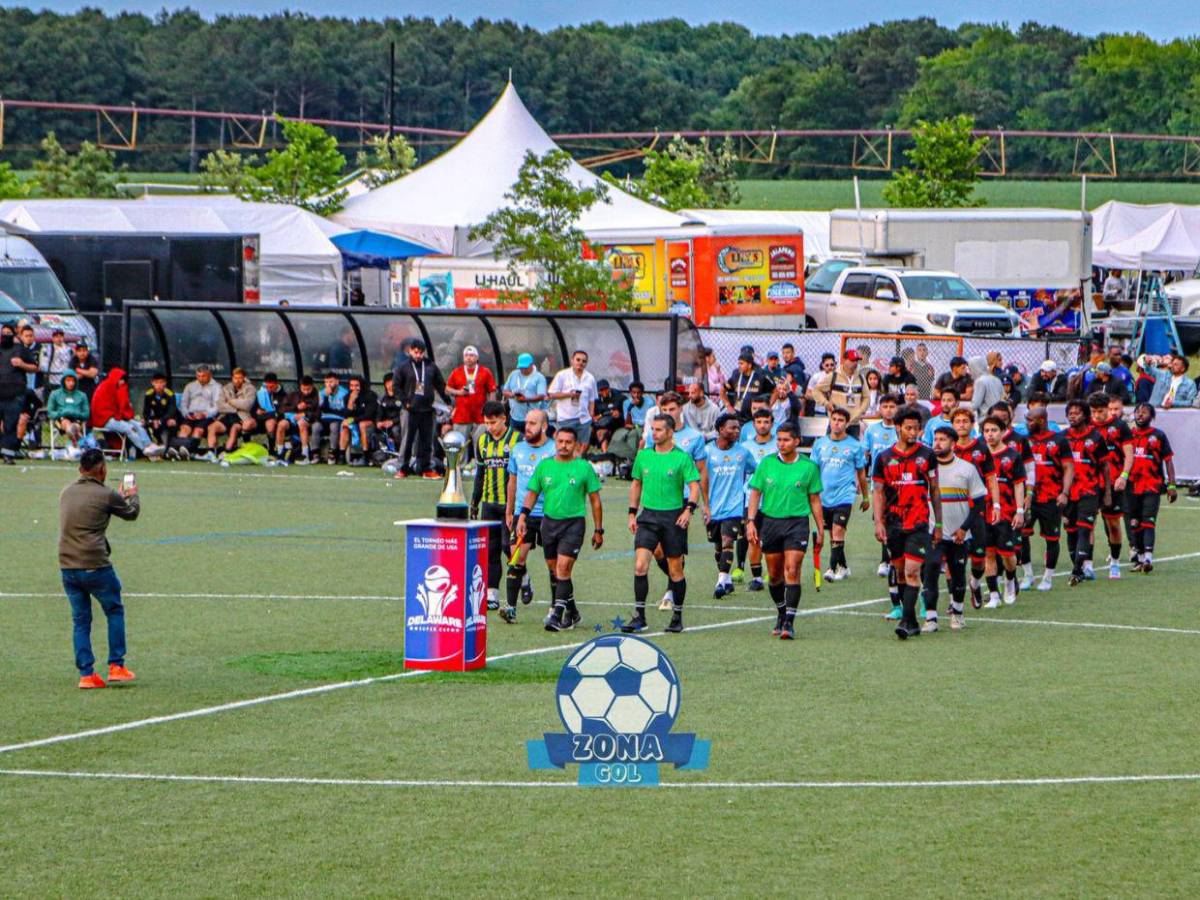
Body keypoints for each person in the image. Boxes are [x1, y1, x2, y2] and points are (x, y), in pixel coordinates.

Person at [58, 448, 141, 688]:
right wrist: (132, 494)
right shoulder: (106, 495)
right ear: (102, 469)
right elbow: (131, 513)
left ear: (80, 469)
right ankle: (116, 665)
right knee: (114, 609)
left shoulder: (66, 493)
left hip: (67, 565)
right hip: (95, 564)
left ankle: (86, 674)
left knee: (81, 620)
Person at [515, 426, 603, 632]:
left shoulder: (584, 468)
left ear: (576, 445)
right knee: (555, 571)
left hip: (573, 524)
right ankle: (572, 613)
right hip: (549, 523)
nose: (564, 446)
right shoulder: (545, 466)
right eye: (560, 441)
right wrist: (522, 516)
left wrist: (599, 530)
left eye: (568, 442)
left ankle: (556, 614)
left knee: (563, 568)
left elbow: (595, 501)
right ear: (555, 443)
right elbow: (532, 493)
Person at [620, 413, 702, 634]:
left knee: (675, 570)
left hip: (672, 518)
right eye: (652, 429)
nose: (653, 433)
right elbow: (636, 484)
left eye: (658, 430)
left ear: (670, 432)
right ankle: (639, 616)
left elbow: (694, 486)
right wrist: (631, 513)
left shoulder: (682, 458)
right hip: (648, 517)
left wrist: (689, 510)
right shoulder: (644, 456)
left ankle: (677, 616)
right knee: (640, 566)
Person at [745, 423, 824, 641]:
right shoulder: (767, 463)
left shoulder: (809, 467)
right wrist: (751, 521)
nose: (781, 443)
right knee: (775, 575)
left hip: (797, 524)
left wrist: (820, 527)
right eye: (779, 439)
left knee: (792, 569)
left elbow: (815, 499)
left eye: (786, 440)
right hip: (770, 523)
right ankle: (781, 613)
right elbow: (755, 493)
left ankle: (789, 621)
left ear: (797, 441)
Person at [873, 406, 942, 638]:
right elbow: (878, 492)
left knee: (913, 571)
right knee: (900, 572)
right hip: (893, 523)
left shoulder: (927, 455)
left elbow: (934, 490)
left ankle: (905, 619)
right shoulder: (884, 458)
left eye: (917, 428)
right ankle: (911, 621)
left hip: (919, 523)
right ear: (898, 427)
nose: (913, 432)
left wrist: (939, 524)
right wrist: (878, 522)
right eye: (909, 428)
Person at [922, 427, 987, 631]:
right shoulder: (927, 469)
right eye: (935, 439)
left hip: (959, 534)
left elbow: (979, 503)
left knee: (958, 575)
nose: (937, 443)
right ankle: (931, 619)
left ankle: (958, 614)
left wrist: (963, 528)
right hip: (934, 532)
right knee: (931, 570)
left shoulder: (967, 468)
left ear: (953, 443)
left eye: (943, 439)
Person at [501, 409, 557, 623]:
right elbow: (512, 481)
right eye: (526, 423)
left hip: (550, 514)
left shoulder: (554, 449)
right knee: (516, 559)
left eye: (533, 423)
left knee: (553, 564)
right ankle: (511, 608)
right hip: (523, 514)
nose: (528, 427)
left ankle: (555, 608)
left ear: (544, 426)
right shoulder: (518, 449)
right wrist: (510, 510)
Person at [465, 400, 520, 610]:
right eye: (486, 423)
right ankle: (492, 594)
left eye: (493, 422)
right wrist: (474, 502)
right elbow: (480, 474)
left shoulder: (516, 440)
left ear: (504, 419)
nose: (489, 427)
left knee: (509, 547)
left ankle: (523, 577)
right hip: (489, 503)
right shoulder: (482, 441)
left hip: (510, 505)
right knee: (491, 550)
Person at [809, 407, 868, 582]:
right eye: (834, 419)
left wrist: (865, 497)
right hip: (824, 496)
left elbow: (862, 473)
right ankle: (843, 566)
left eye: (840, 420)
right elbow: (813, 470)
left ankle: (830, 568)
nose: (836, 423)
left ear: (846, 423)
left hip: (845, 494)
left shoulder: (854, 446)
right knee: (833, 535)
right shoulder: (820, 444)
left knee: (838, 529)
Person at [701, 413, 755, 598]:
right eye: (732, 427)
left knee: (727, 542)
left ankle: (720, 581)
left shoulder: (743, 452)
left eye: (738, 428)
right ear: (721, 430)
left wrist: (747, 491)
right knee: (718, 548)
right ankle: (728, 581)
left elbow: (754, 471)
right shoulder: (707, 452)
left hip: (735, 507)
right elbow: (703, 481)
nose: (737, 431)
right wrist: (705, 506)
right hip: (713, 508)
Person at [951, 406, 999, 608]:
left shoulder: (981, 449)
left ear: (972, 425)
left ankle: (976, 582)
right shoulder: (947, 448)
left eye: (965, 421)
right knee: (953, 557)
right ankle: (954, 599)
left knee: (979, 559)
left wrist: (996, 504)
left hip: (977, 509)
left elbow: (991, 478)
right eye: (958, 421)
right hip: (952, 509)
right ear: (952, 424)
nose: (961, 424)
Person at [1024, 407, 1074, 591]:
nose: (1028, 423)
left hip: (1051, 497)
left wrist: (1065, 492)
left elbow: (1068, 467)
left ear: (1042, 420)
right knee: (1022, 536)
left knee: (1052, 538)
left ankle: (1048, 577)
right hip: (1029, 498)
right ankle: (1028, 575)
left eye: (1031, 420)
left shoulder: (1059, 440)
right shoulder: (1025, 441)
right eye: (1026, 419)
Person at [1063, 399, 1112, 586]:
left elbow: (1105, 466)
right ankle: (1078, 566)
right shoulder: (1063, 438)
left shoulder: (1096, 438)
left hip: (1089, 491)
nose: (1072, 416)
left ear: (1085, 415)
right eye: (1070, 413)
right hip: (1068, 492)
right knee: (1071, 531)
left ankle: (1077, 571)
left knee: (1085, 529)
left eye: (1077, 413)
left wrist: (1107, 492)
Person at [980, 415, 1027, 608]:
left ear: (1002, 432)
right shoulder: (980, 456)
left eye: (994, 430)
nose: (990, 435)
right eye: (987, 431)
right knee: (988, 554)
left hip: (1006, 512)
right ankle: (993, 595)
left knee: (1007, 554)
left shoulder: (1013, 456)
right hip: (985, 511)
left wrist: (1019, 510)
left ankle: (1010, 579)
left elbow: (1018, 485)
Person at [1126, 403, 1177, 573]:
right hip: (1131, 486)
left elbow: (1168, 461)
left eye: (1145, 412)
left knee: (1148, 522)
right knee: (1134, 523)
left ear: (1152, 416)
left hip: (1152, 485)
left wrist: (1171, 485)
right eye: (1137, 412)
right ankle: (1140, 559)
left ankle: (1148, 557)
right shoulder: (1128, 436)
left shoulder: (1158, 435)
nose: (1140, 415)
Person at [1090, 393, 1134, 579]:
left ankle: (1115, 563)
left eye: (1100, 411)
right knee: (1087, 525)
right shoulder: (1087, 426)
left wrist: (1124, 475)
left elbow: (1129, 454)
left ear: (1108, 408)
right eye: (1093, 411)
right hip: (1090, 483)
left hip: (1113, 482)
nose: (1097, 415)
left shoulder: (1120, 426)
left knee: (1113, 524)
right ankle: (1086, 564)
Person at [394, 338, 449, 478]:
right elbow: (396, 387)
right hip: (409, 410)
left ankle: (426, 468)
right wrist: (405, 401)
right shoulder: (403, 367)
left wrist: (448, 401)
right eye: (415, 352)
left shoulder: (431, 366)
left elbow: (440, 385)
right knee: (407, 440)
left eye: (421, 353)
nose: (418, 355)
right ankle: (402, 468)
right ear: (410, 351)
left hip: (427, 410)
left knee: (427, 441)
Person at [737, 407, 778, 590]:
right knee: (752, 537)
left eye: (766, 422)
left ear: (772, 424)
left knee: (772, 539)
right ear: (753, 424)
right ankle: (757, 578)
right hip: (751, 500)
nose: (762, 425)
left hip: (775, 500)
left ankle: (774, 570)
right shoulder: (745, 447)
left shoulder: (779, 445)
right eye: (759, 422)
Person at [863, 392, 900, 577]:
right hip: (878, 484)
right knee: (882, 520)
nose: (888, 410)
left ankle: (895, 557)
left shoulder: (901, 430)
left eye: (892, 406)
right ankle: (885, 560)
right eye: (885, 406)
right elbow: (866, 455)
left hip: (899, 483)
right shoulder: (872, 430)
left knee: (897, 520)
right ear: (879, 408)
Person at [89, 367, 164, 459]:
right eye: (121, 379)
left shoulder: (115, 388)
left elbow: (122, 408)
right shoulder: (106, 388)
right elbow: (104, 411)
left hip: (114, 417)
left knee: (137, 424)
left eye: (123, 380)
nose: (122, 382)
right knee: (129, 428)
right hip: (104, 420)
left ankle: (149, 445)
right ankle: (145, 449)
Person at [446, 345, 497, 455]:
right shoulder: (456, 372)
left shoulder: (485, 372)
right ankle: (460, 466)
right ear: (463, 358)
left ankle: (478, 465)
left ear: (477, 357)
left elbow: (492, 390)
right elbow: (447, 389)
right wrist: (459, 392)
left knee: (480, 440)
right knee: (460, 440)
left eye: (472, 355)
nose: (469, 358)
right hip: (462, 413)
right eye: (466, 355)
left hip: (480, 413)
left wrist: (491, 409)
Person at [1, 324, 39, 463]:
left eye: (8, 332)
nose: (6, 334)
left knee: (10, 424)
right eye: (3, 332)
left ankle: (8, 454)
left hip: (15, 393)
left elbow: (35, 367)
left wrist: (22, 364)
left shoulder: (20, 349)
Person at [548, 350, 598, 454]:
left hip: (584, 419)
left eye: (584, 361)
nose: (580, 363)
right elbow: (552, 394)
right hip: (566, 418)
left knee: (582, 447)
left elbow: (592, 399)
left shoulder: (590, 378)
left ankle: (578, 466)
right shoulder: (562, 375)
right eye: (578, 360)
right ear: (572, 360)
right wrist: (569, 394)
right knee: (565, 446)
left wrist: (591, 414)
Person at [811, 349, 868, 435]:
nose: (855, 363)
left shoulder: (860, 377)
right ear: (844, 360)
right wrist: (826, 403)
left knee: (852, 447)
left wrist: (860, 410)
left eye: (857, 360)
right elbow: (816, 390)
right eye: (852, 360)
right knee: (831, 446)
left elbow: (866, 397)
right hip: (836, 423)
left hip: (854, 423)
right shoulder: (834, 376)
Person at [275, 375, 321, 464]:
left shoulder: (317, 396)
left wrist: (305, 414)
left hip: (310, 420)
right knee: (281, 425)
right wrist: (296, 407)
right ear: (300, 387)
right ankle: (280, 453)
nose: (306, 392)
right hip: (292, 420)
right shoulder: (293, 395)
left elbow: (318, 414)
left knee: (301, 423)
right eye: (304, 389)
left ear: (312, 386)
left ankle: (305, 455)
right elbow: (282, 408)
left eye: (308, 389)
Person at [212, 367, 258, 457]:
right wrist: (236, 408)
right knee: (212, 427)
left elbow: (247, 405)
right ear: (232, 378)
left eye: (240, 378)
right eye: (235, 378)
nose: (237, 380)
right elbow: (220, 406)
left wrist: (230, 401)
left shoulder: (250, 388)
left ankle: (227, 451)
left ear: (244, 378)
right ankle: (211, 452)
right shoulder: (225, 388)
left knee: (234, 428)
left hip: (241, 416)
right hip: (226, 415)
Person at [177, 365, 221, 454]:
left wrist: (205, 414)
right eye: (198, 376)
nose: (201, 379)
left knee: (198, 431)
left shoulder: (217, 387)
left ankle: (190, 451)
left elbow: (217, 406)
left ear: (209, 375)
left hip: (207, 416)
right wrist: (186, 414)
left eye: (203, 376)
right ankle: (179, 450)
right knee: (184, 429)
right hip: (191, 414)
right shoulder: (190, 386)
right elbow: (183, 403)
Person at [721, 352, 773, 421]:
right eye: (738, 363)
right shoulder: (736, 376)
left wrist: (769, 406)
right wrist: (728, 406)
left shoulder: (760, 376)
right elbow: (722, 391)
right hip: (738, 415)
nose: (739, 366)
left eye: (741, 363)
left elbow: (775, 391)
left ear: (749, 365)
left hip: (755, 416)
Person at [502, 353, 547, 432]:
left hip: (532, 417)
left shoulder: (539, 377)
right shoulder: (513, 374)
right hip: (515, 417)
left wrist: (526, 399)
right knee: (515, 440)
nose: (523, 370)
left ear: (532, 365)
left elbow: (541, 396)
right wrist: (512, 395)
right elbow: (505, 390)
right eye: (521, 367)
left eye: (525, 367)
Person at [339, 375, 379, 466]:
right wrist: (350, 402)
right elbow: (346, 415)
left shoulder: (370, 395)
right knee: (344, 424)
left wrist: (353, 420)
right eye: (352, 386)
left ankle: (365, 456)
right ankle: (341, 455)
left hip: (369, 421)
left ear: (361, 385)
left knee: (362, 424)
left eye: (357, 385)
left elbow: (369, 414)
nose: (354, 388)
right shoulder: (347, 397)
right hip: (355, 420)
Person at [47, 372, 90, 450]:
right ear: (63, 381)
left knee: (75, 425)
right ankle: (79, 442)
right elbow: (50, 412)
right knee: (66, 422)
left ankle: (73, 437)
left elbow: (86, 414)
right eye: (68, 380)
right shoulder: (55, 394)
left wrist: (76, 413)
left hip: (77, 418)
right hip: (60, 419)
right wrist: (61, 413)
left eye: (73, 381)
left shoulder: (82, 395)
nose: (71, 383)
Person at [142, 372, 181, 450]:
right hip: (156, 418)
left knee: (171, 423)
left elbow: (171, 411)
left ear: (165, 383)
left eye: (161, 382)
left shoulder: (170, 394)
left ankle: (171, 448)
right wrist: (149, 420)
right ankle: (151, 447)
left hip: (169, 418)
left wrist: (160, 421)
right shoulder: (149, 394)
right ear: (152, 383)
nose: (159, 385)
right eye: (156, 383)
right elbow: (146, 411)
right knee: (144, 424)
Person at [253, 372, 288, 455]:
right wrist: (257, 410)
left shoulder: (283, 395)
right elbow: (254, 409)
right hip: (260, 419)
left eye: (271, 387)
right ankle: (246, 448)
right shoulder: (261, 393)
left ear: (276, 384)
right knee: (247, 424)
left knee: (270, 423)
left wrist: (267, 414)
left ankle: (272, 450)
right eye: (267, 386)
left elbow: (281, 412)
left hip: (275, 420)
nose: (268, 389)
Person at [592, 379, 626, 451]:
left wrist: (619, 414)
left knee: (601, 431)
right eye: (601, 390)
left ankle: (605, 452)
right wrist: (596, 417)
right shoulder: (595, 400)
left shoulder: (619, 397)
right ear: (598, 391)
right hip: (602, 424)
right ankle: (604, 452)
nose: (604, 392)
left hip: (617, 423)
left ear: (609, 388)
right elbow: (593, 416)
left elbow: (627, 414)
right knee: (599, 431)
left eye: (606, 389)